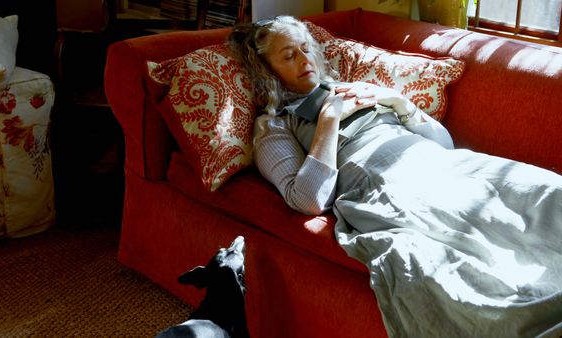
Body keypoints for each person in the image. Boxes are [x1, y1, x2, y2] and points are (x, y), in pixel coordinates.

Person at [227, 16, 562, 337]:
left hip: (442, 164)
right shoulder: (274, 125)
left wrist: (400, 103)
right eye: (289, 55)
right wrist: (328, 122)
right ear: (266, 71)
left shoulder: (347, 88)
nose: (304, 58)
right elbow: (308, 199)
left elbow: (444, 143)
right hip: (387, 187)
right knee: (479, 270)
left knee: (544, 190)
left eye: (305, 47)